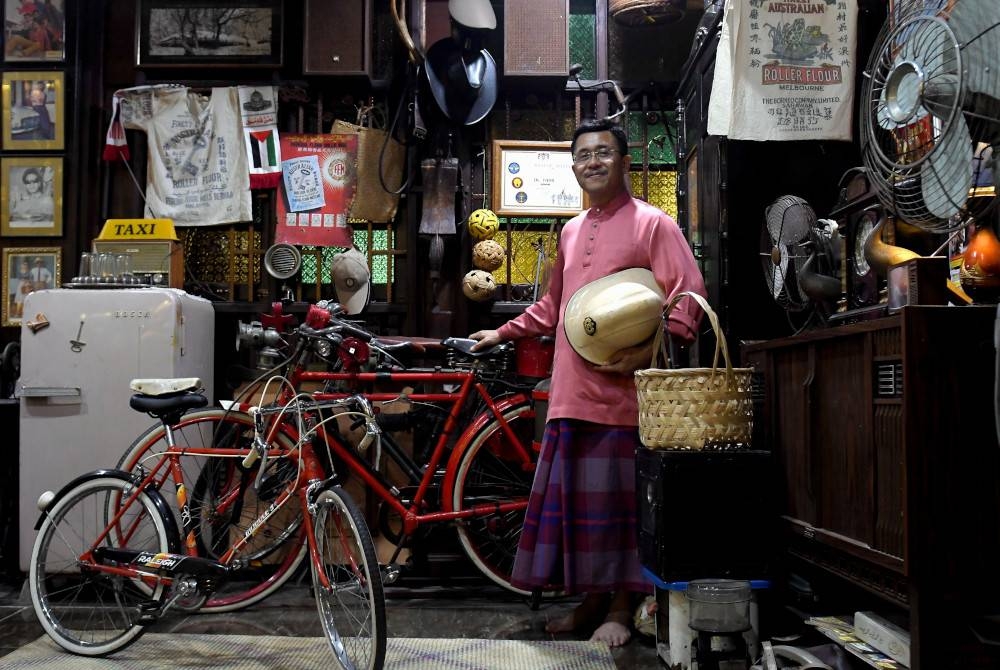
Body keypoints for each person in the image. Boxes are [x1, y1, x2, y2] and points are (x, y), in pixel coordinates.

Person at [469, 118, 707, 647]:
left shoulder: (654, 224)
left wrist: (649, 350)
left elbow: (688, 294)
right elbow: (555, 305)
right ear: (573, 167)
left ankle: (621, 608)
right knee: (582, 512)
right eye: (582, 155)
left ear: (624, 163)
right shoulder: (571, 230)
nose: (592, 162)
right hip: (569, 393)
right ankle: (589, 604)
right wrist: (502, 332)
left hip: (625, 397)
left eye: (603, 153)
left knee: (619, 510)